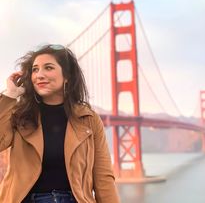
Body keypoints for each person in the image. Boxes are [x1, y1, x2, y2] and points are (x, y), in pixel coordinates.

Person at [0, 44, 120, 203]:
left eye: (48, 68)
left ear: (67, 76)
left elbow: (103, 176)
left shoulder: (89, 119)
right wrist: (10, 95)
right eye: (35, 69)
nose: (39, 75)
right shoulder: (19, 115)